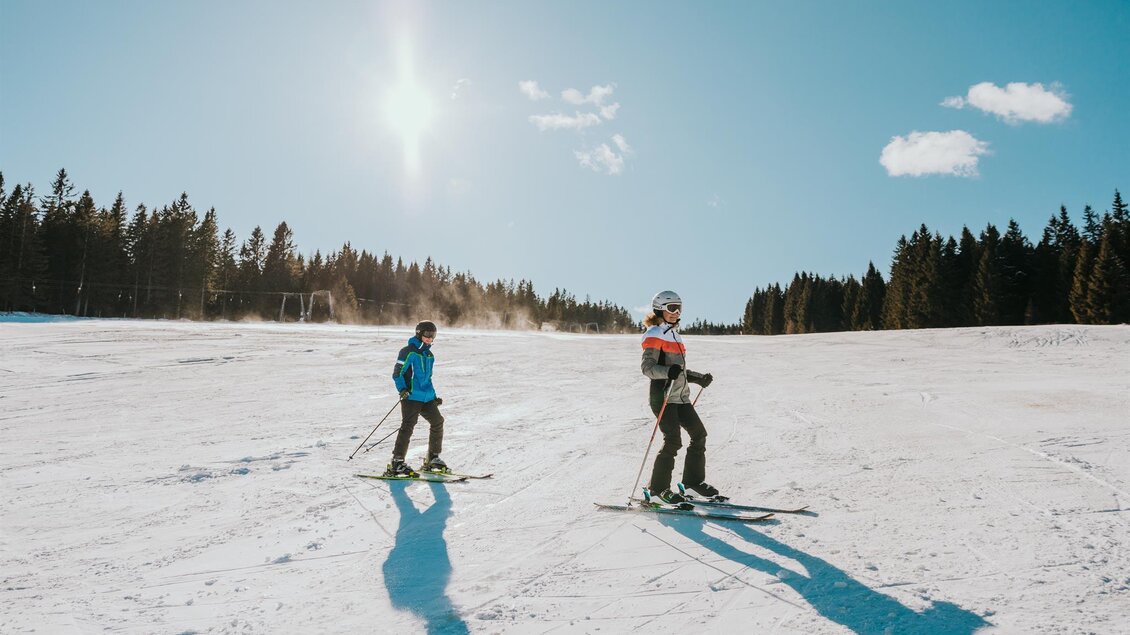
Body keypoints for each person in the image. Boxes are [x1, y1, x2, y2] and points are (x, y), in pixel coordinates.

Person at [640, 290, 717, 503]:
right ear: (660, 309)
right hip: (662, 397)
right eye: (671, 308)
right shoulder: (654, 333)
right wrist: (667, 373)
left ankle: (692, 484)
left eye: (679, 308)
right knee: (673, 440)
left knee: (699, 434)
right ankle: (656, 490)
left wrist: (699, 378)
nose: (676, 312)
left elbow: (679, 371)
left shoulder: (674, 334)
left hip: (680, 397)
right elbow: (647, 368)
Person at [385, 320, 449, 477]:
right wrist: (402, 389)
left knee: (437, 421)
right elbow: (397, 373)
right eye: (427, 335)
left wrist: (433, 397)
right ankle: (397, 462)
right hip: (411, 396)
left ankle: (432, 458)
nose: (430, 338)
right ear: (419, 334)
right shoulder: (408, 352)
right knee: (408, 426)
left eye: (433, 335)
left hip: (426, 398)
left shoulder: (429, 355)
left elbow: (428, 379)